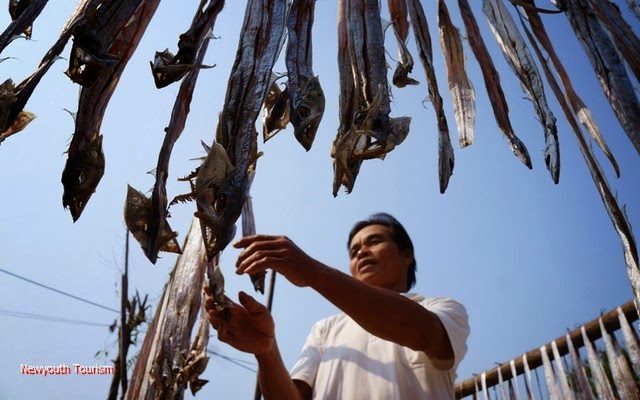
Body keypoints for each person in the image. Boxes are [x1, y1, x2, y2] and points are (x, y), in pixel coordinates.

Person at [204, 212, 469, 399]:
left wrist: (313, 272)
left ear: (407, 255)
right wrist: (266, 350)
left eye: (374, 241)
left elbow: (423, 332)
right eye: (354, 251)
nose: (362, 252)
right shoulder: (326, 329)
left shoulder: (442, 309)